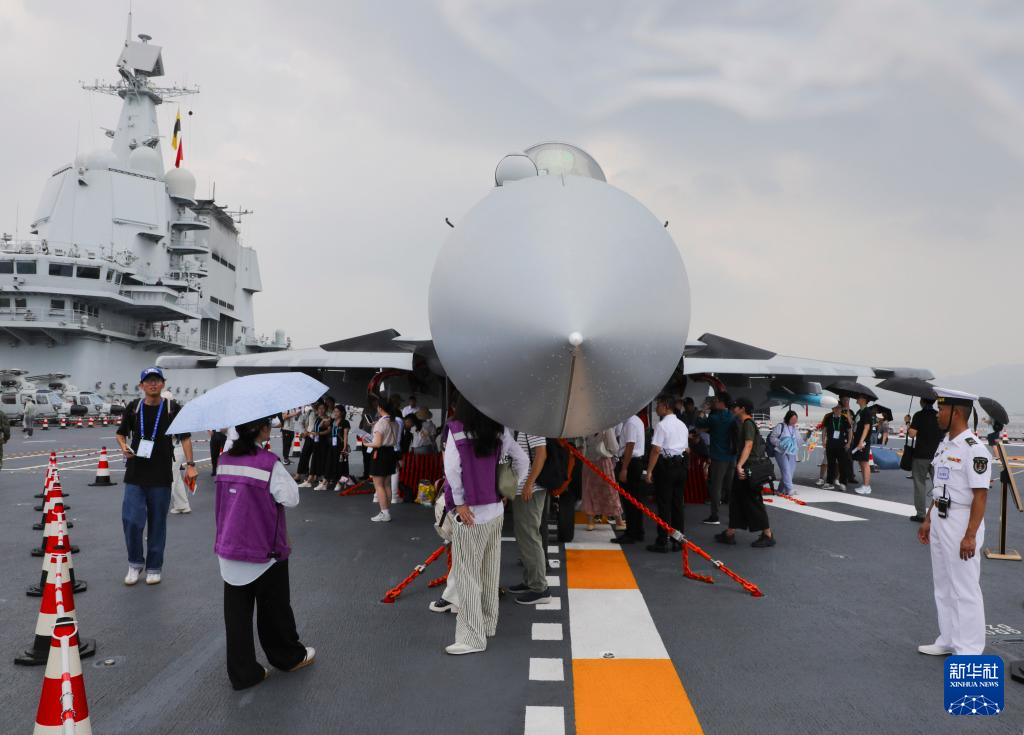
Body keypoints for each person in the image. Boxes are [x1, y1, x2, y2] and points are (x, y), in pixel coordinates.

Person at [214, 416, 315, 689]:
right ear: (261, 430)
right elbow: (291, 498)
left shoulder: (223, 461)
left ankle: (243, 673)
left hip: (229, 546)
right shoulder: (269, 463)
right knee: (275, 610)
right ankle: (288, 657)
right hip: (264, 550)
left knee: (236, 615)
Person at [441, 397, 529, 655]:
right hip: (495, 510)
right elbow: (522, 460)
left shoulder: (456, 429)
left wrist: (459, 503)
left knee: (467, 576)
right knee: (490, 571)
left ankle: (472, 637)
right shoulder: (500, 429)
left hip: (470, 514)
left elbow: (452, 470)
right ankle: (488, 624)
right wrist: (508, 489)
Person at [917, 388, 992, 657]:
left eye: (942, 410)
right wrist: (928, 519)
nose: (938, 414)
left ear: (956, 413)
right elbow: (940, 487)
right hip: (940, 517)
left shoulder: (974, 449)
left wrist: (970, 535)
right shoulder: (945, 444)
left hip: (961, 519)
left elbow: (980, 496)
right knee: (944, 583)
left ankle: (969, 649)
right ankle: (948, 639)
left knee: (964, 586)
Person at [115, 367, 198, 585]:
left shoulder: (172, 408)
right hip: (135, 473)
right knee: (131, 520)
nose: (153, 384)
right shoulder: (134, 407)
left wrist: (190, 465)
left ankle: (154, 567)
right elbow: (120, 433)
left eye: (157, 380)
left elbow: (185, 437)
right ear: (141, 385)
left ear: (163, 384)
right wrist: (123, 447)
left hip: (161, 473)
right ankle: (134, 563)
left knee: (157, 523)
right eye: (148, 381)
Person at [715, 397, 775, 548]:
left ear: (742, 408)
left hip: (748, 468)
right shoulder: (744, 423)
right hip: (746, 467)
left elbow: (748, 445)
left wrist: (739, 465)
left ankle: (768, 534)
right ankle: (730, 533)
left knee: (753, 501)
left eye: (735, 407)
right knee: (737, 500)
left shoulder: (748, 424)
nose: (733, 409)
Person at [508, 430, 551, 605]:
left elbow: (541, 454)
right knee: (524, 536)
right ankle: (530, 580)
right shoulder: (521, 426)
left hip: (530, 490)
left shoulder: (532, 427)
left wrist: (529, 484)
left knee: (530, 536)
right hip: (522, 489)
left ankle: (539, 588)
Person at [645, 395, 689, 553]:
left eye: (658, 405)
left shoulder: (662, 425)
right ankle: (678, 540)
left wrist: (649, 471)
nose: (657, 408)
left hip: (666, 467)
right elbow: (687, 448)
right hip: (681, 465)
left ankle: (662, 541)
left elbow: (656, 450)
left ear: (665, 406)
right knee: (677, 504)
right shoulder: (682, 425)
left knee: (664, 504)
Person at [695, 392, 736, 525]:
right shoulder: (732, 416)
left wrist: (702, 411)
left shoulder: (715, 418)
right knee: (730, 486)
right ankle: (735, 515)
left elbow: (699, 423)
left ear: (721, 402)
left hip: (719, 457)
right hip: (732, 456)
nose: (714, 402)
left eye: (716, 400)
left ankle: (714, 516)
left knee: (716, 487)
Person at [611, 411, 647, 544]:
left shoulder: (630, 423)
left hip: (630, 462)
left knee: (629, 500)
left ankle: (631, 533)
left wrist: (624, 468)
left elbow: (630, 445)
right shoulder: (636, 421)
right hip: (635, 461)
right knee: (635, 500)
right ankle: (637, 531)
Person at [581, 427, 624, 531]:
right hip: (603, 461)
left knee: (588, 490)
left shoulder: (586, 427)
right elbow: (614, 447)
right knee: (610, 491)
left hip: (588, 461)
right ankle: (619, 521)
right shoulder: (606, 427)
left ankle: (590, 522)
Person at [908, 397, 942, 522]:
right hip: (937, 456)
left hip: (921, 455)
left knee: (919, 484)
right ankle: (940, 512)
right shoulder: (939, 415)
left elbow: (912, 434)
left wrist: (908, 423)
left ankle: (921, 514)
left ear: (922, 402)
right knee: (939, 485)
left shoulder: (918, 415)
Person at [365, 399, 398, 522]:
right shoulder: (395, 422)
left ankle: (384, 512)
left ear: (380, 408)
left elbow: (377, 443)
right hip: (391, 453)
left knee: (379, 485)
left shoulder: (380, 423)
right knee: (387, 484)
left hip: (380, 454)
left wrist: (366, 444)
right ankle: (386, 511)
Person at [769, 410, 802, 495]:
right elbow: (772, 438)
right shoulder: (780, 426)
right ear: (788, 418)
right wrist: (781, 443)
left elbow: (799, 440)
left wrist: (809, 437)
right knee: (786, 469)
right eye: (792, 419)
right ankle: (790, 489)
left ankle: (780, 490)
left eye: (796, 419)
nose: (794, 421)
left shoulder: (795, 428)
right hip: (780, 451)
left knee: (790, 471)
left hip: (792, 452)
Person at [822, 404, 853, 491]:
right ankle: (829, 482)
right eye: (835, 408)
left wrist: (849, 443)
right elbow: (824, 430)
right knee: (830, 464)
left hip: (841, 445)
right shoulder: (828, 417)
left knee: (842, 465)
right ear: (832, 408)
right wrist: (823, 440)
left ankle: (843, 483)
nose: (837, 409)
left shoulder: (844, 418)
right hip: (830, 444)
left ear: (841, 409)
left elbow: (850, 430)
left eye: (839, 408)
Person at [850, 395, 876, 495]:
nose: (857, 398)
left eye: (859, 397)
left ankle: (866, 486)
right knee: (861, 462)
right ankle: (865, 485)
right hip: (858, 440)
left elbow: (867, 427)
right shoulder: (859, 411)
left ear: (864, 400)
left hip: (863, 442)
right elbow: (853, 423)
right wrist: (847, 410)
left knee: (865, 463)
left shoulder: (867, 412)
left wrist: (861, 441)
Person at [169, 436, 192, 515]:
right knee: (176, 477)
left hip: (175, 447)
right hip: (172, 447)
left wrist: (190, 464)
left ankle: (158, 506)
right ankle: (182, 505)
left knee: (170, 478)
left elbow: (186, 438)